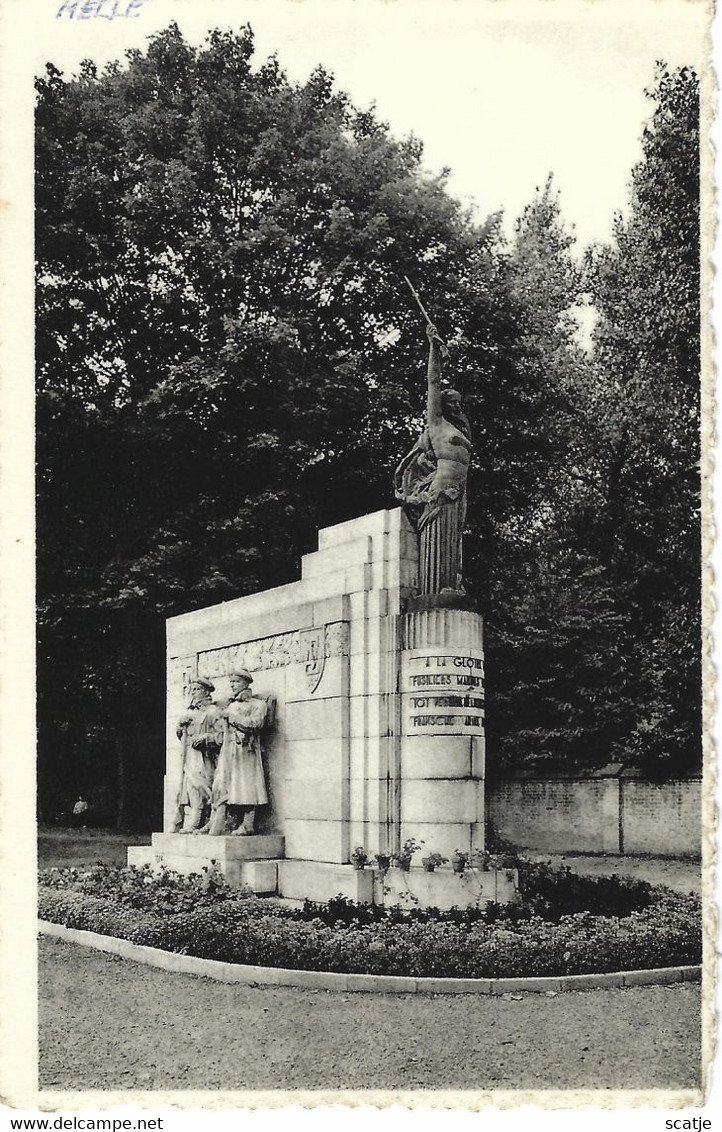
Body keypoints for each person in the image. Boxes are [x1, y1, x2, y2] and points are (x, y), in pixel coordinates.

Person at [394, 322, 472, 594]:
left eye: (459, 402)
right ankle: (434, 590)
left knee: (452, 541)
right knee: (438, 539)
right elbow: (433, 381)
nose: (457, 406)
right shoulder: (437, 425)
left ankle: (450, 585)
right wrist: (434, 349)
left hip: (458, 491)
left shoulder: (459, 429)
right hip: (441, 487)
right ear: (442, 405)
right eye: (452, 402)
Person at [208, 669, 270, 836]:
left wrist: (233, 718)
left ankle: (248, 824)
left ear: (246, 683)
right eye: (231, 682)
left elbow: (256, 724)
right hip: (228, 751)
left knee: (246, 786)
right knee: (221, 784)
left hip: (246, 750)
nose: (232, 685)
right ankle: (221, 822)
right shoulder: (232, 705)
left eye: (236, 681)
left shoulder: (258, 704)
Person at [175, 677, 223, 833]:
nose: (193, 693)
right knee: (191, 788)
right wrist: (180, 727)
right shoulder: (191, 713)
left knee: (203, 787)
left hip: (206, 757)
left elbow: (222, 736)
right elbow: (183, 737)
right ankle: (195, 820)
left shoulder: (213, 712)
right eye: (192, 689)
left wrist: (206, 738)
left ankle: (203, 820)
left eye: (197, 689)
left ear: (206, 692)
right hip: (191, 756)